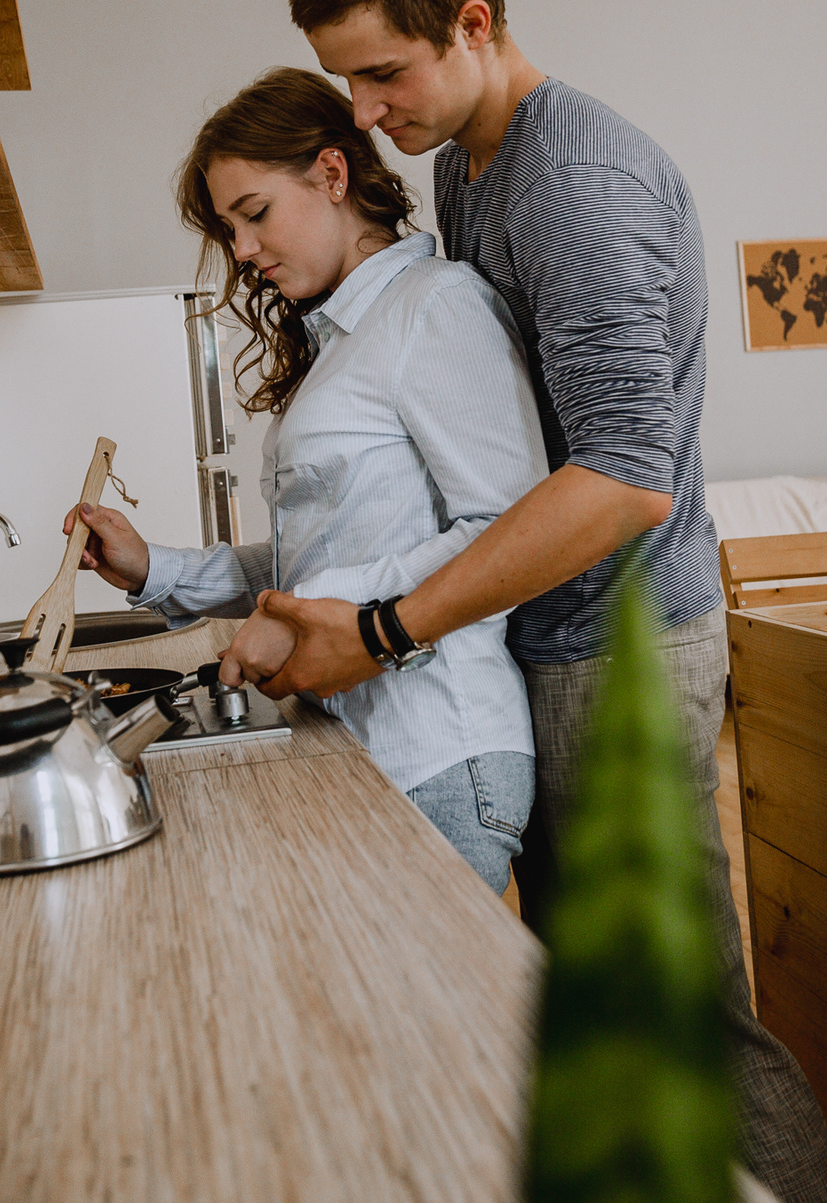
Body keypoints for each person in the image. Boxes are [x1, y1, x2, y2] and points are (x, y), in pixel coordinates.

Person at [227, 0, 827, 1203]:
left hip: (624, 645)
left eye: (385, 75)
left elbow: (622, 478)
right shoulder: (469, 159)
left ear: (472, 22)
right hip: (553, 638)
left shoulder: (576, 180)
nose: (367, 119)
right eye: (347, 86)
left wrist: (390, 626)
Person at [63, 66, 546, 894]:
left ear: (333, 174)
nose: (243, 251)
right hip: (370, 748)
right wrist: (157, 569)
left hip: (440, 753)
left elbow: (508, 531)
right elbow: (315, 565)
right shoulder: (343, 343)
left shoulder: (436, 306)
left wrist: (319, 615)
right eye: (230, 229)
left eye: (254, 215)